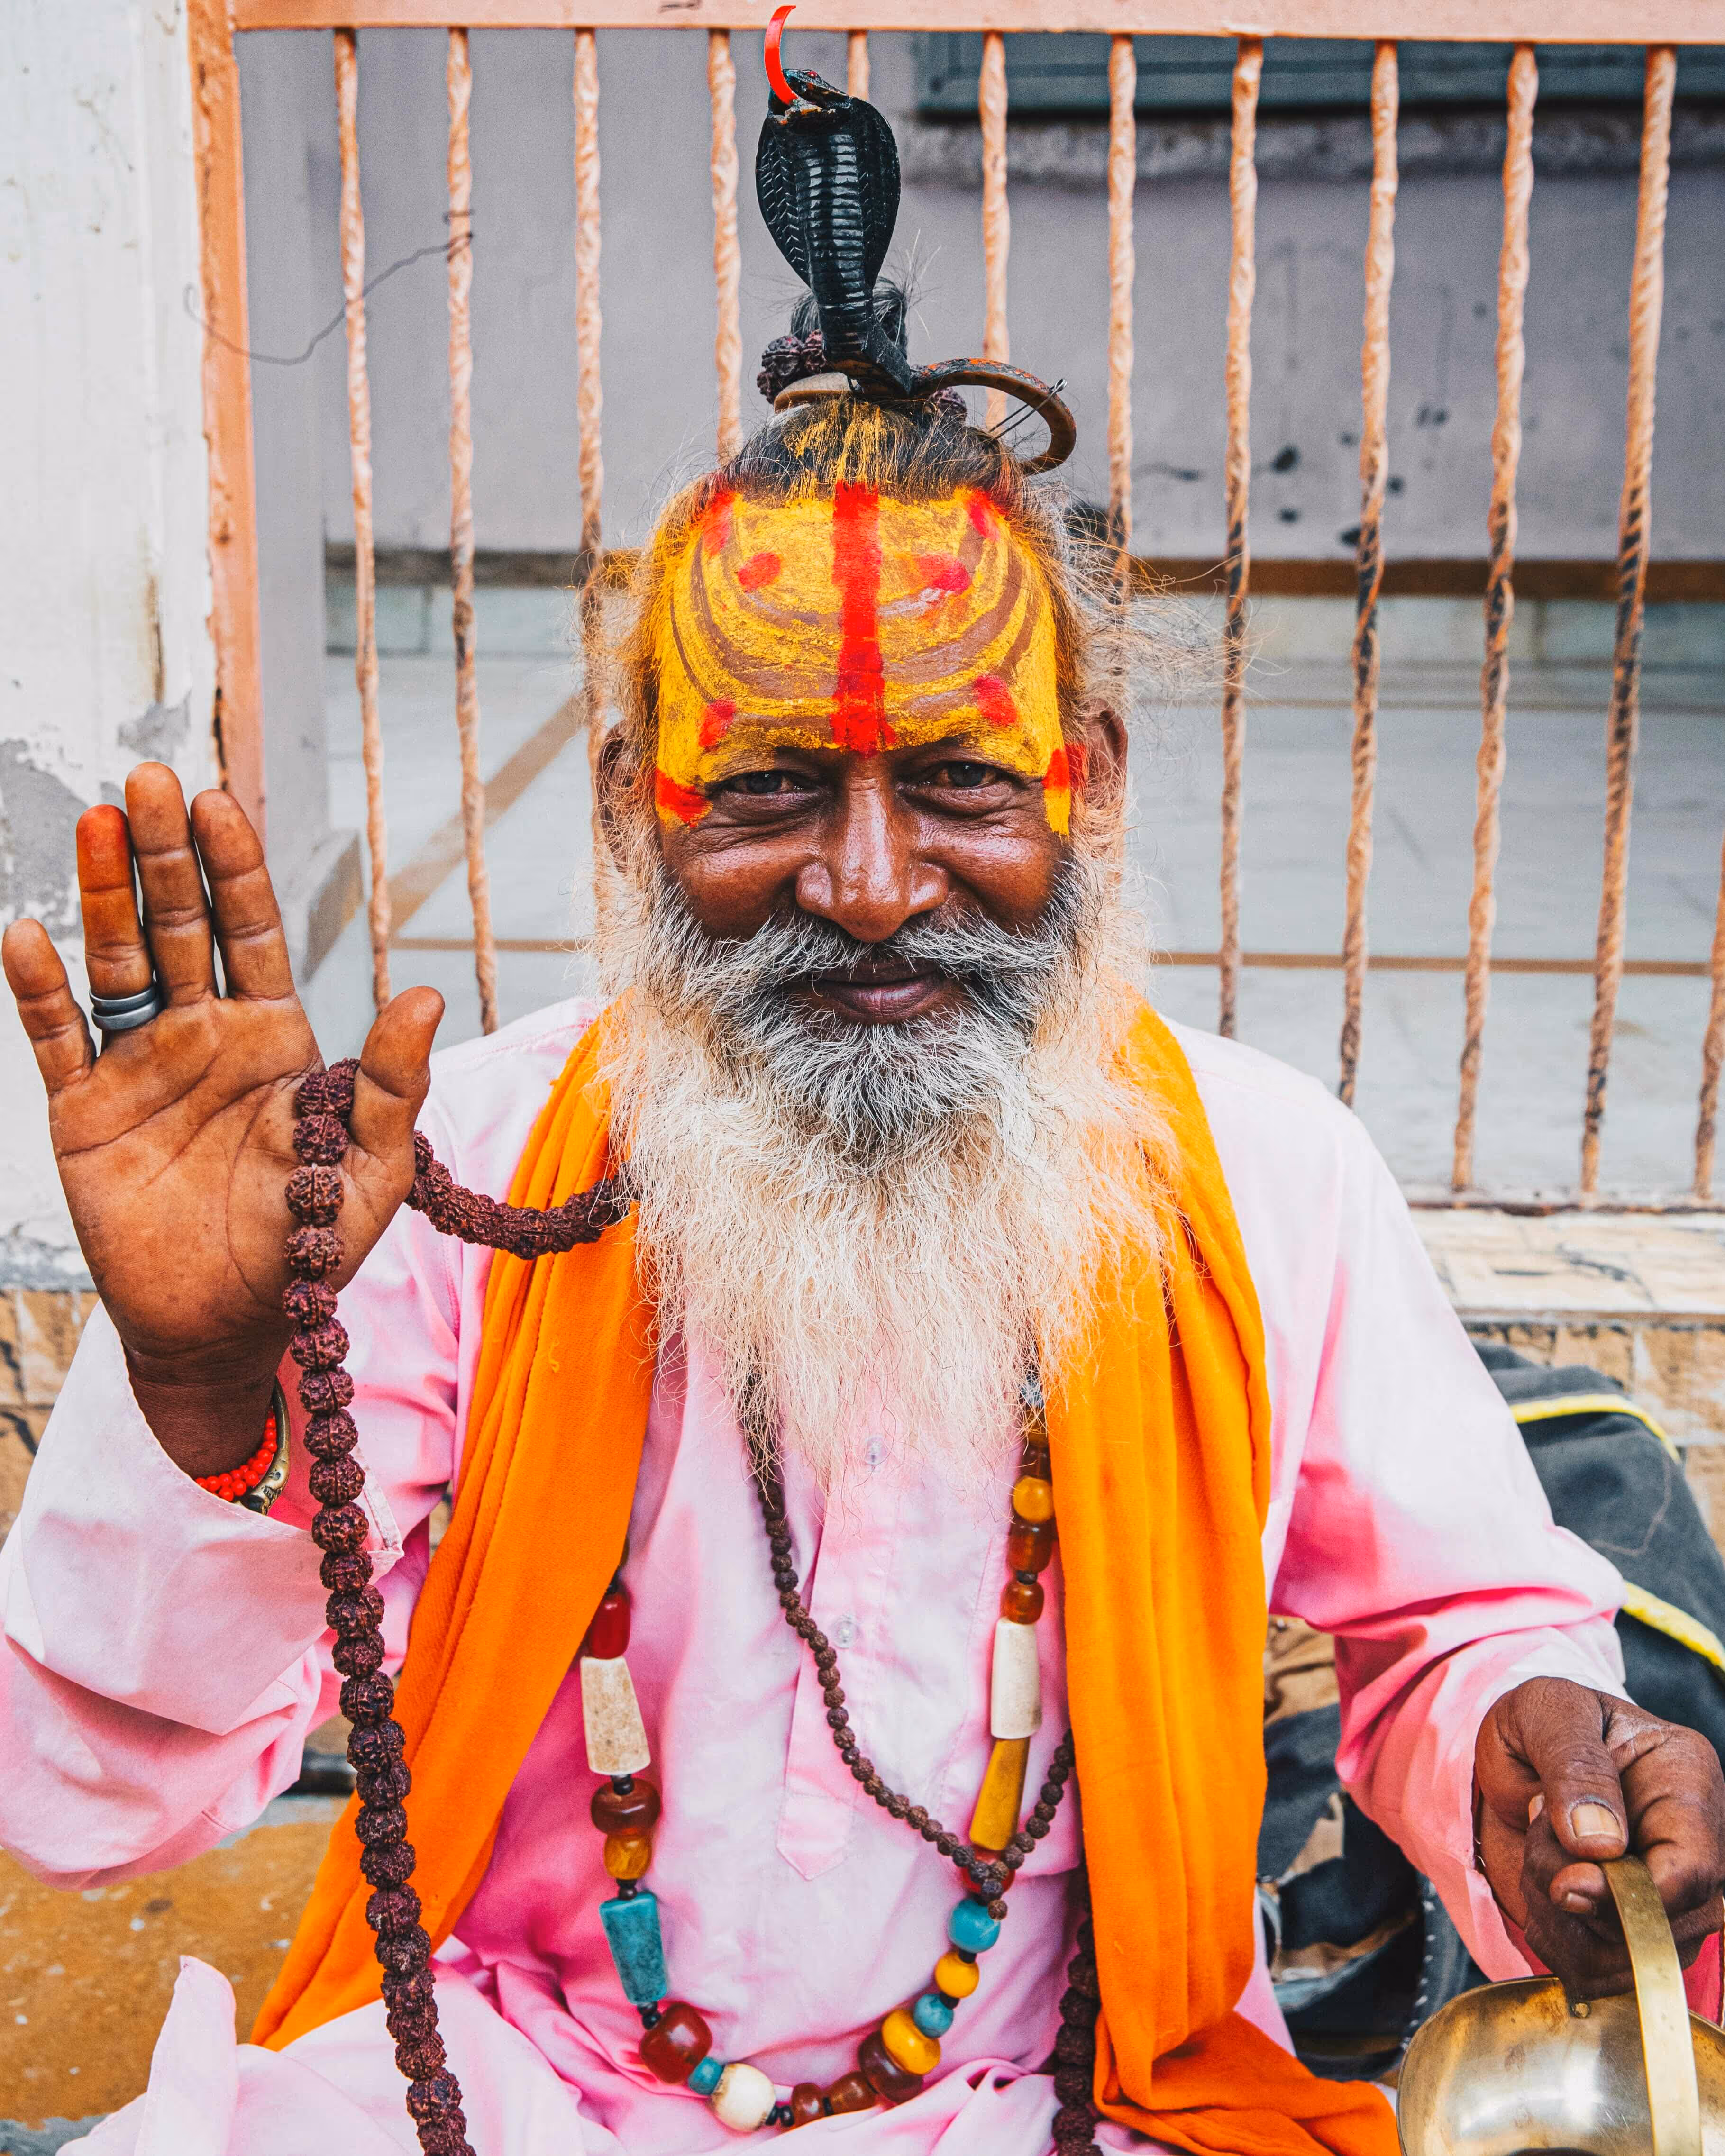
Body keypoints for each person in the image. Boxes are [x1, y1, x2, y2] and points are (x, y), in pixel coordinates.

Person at [4, 44, 1724, 2156]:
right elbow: (82, 1823)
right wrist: (203, 1412)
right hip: (503, 2085)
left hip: (1058, 2105)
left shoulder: (1272, 1185)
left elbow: (1453, 1628)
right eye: (772, 794)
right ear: (640, 819)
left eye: (965, 785)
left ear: (1086, 783)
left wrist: (1526, 1750)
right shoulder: (430, 1191)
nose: (877, 886)